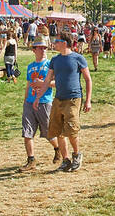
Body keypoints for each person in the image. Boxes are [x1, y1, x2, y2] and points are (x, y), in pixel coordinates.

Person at [32, 32, 92, 172]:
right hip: (58, 99)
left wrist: (88, 101)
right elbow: (47, 81)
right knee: (58, 131)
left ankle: (77, 155)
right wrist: (38, 97)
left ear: (64, 43)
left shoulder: (78, 58)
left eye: (57, 41)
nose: (54, 43)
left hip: (73, 98)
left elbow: (88, 79)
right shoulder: (55, 60)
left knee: (71, 130)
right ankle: (65, 160)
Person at [20, 37, 61, 172]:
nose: (43, 50)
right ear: (34, 50)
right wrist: (25, 101)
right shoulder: (30, 66)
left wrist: (43, 83)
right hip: (30, 102)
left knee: (49, 132)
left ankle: (57, 148)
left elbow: (57, 83)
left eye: (45, 48)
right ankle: (31, 160)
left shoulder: (51, 65)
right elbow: (27, 85)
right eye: (40, 48)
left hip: (44, 102)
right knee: (27, 132)